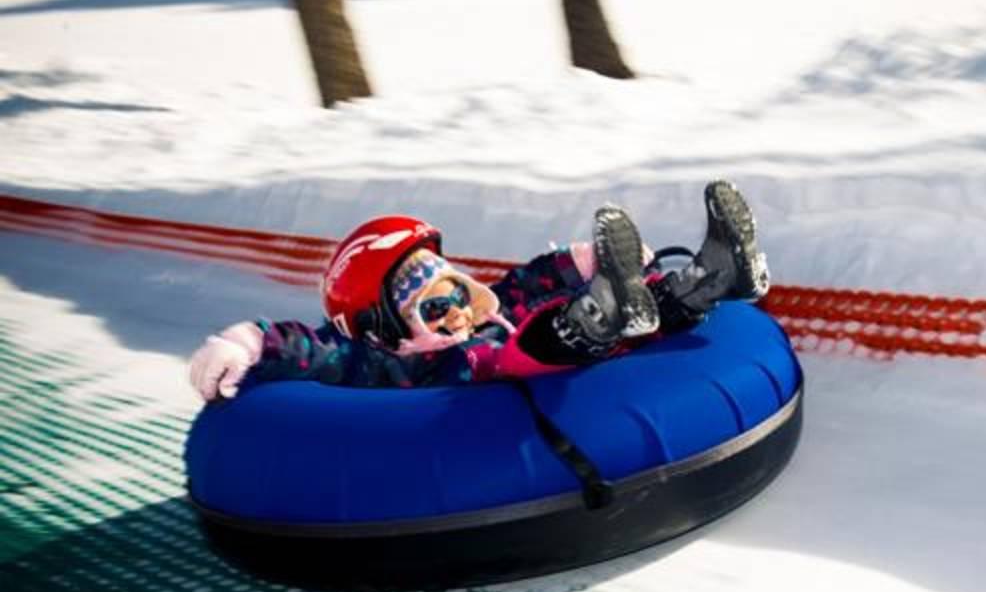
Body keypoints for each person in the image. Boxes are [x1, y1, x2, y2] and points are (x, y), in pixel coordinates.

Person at [188, 180, 770, 400]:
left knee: (623, 309)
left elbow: (528, 281)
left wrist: (583, 260)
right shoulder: (397, 367)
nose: (458, 312)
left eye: (455, 291)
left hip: (597, 338)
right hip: (508, 373)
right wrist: (248, 343)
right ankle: (590, 319)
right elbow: (313, 348)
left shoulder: (487, 307)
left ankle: (709, 279)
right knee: (523, 346)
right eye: (433, 309)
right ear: (386, 332)